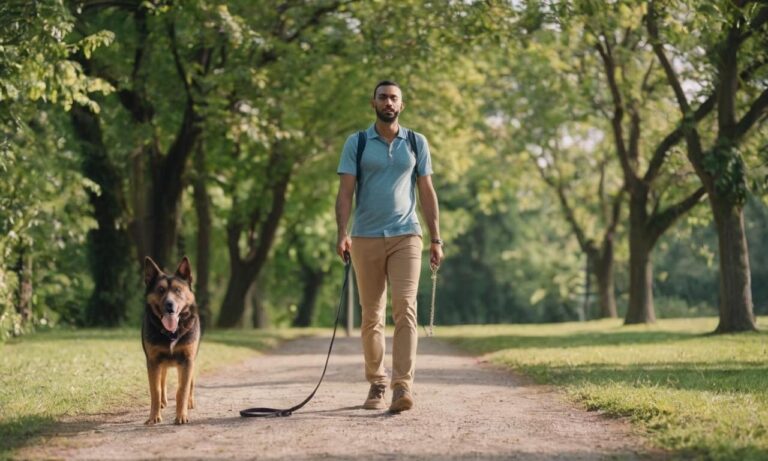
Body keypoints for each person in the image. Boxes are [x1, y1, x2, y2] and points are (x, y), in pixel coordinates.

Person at [335, 80, 444, 413]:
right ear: (374, 103)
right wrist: (342, 232)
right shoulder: (356, 143)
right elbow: (344, 193)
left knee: (405, 309)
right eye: (383, 97)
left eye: (394, 98)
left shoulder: (416, 142)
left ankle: (402, 386)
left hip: (406, 236)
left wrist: (436, 238)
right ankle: (377, 382)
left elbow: (426, 191)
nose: (388, 102)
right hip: (365, 236)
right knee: (371, 316)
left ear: (402, 105)